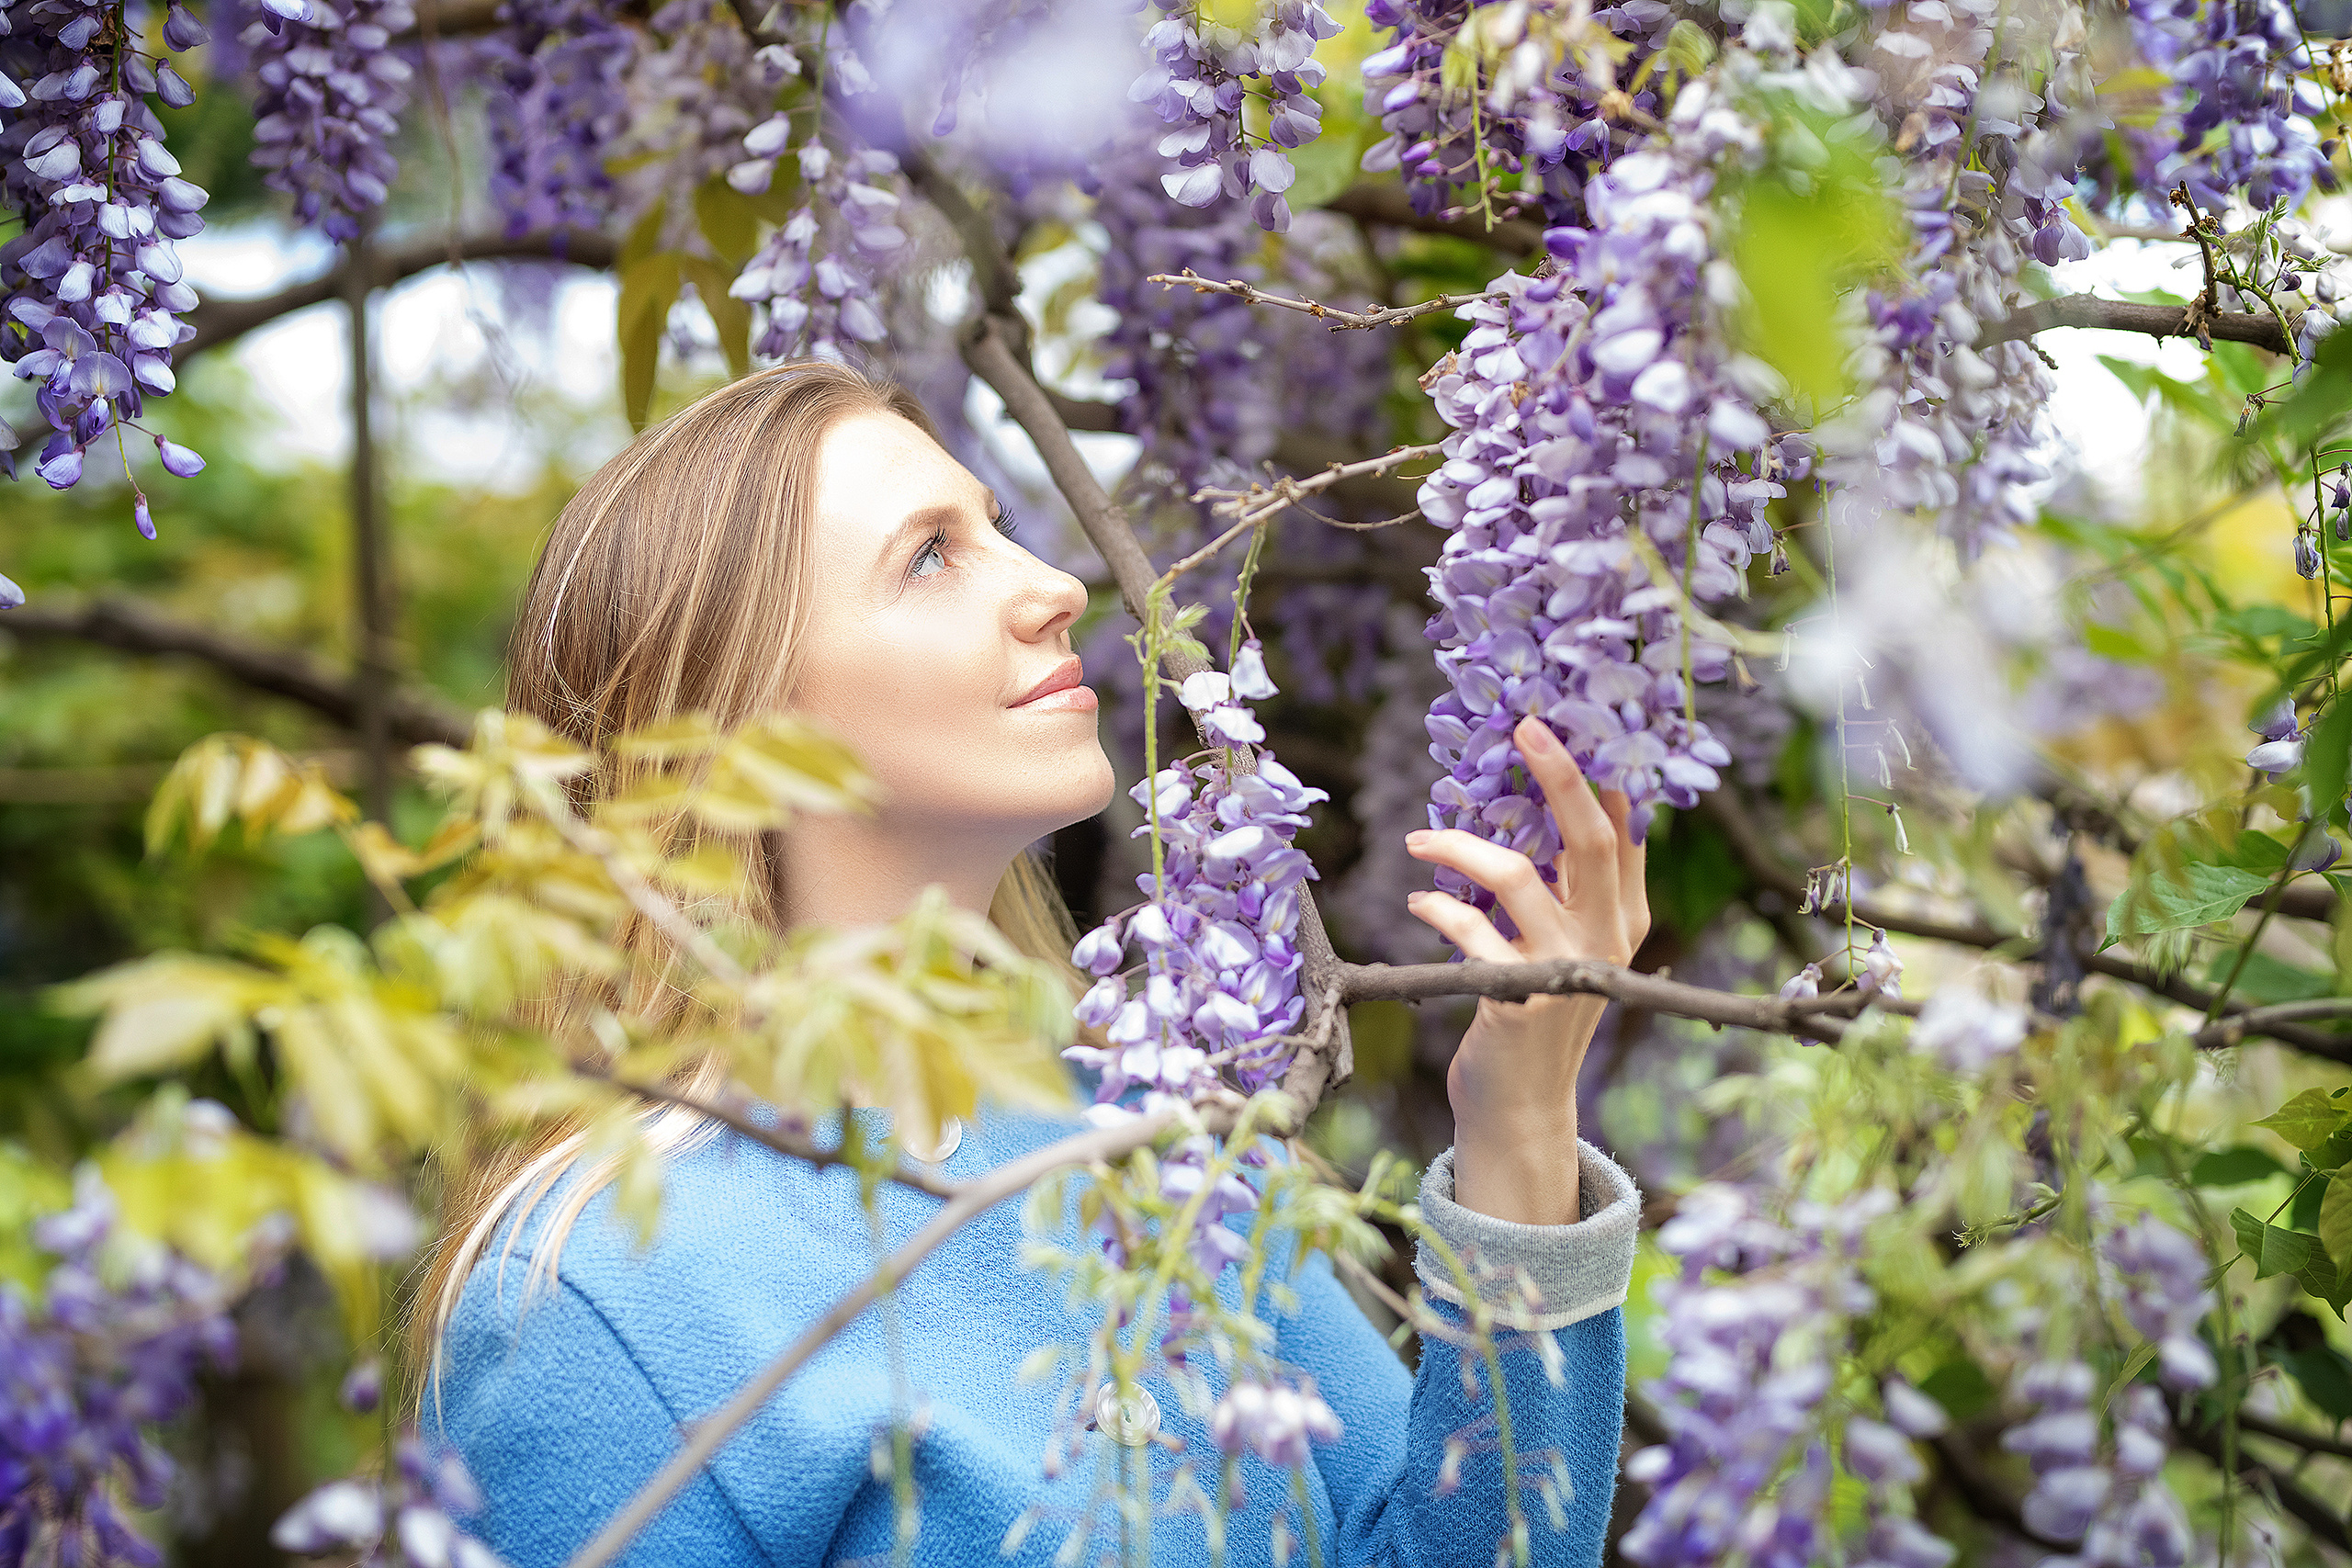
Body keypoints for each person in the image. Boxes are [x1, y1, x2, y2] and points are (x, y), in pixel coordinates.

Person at [414, 361, 1651, 1568]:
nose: (1057, 585)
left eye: (996, 529)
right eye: (932, 555)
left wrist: (1520, 1121)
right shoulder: (606, 1294)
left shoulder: (1151, 1139)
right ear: (743, 714)